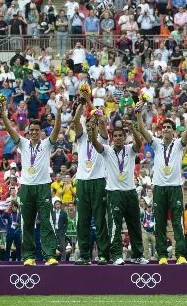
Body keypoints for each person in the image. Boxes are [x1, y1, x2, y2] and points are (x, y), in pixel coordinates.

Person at [0, 96, 64, 265]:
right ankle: (28, 256)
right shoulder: (22, 143)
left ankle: (49, 255)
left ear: (41, 132)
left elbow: (57, 129)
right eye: (32, 130)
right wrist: (3, 114)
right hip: (27, 187)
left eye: (37, 130)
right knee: (26, 223)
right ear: (28, 132)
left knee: (47, 221)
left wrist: (58, 111)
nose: (34, 132)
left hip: (43, 187)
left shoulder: (47, 144)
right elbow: (10, 130)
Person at [136, 102, 187, 265]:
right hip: (159, 188)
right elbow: (142, 130)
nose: (166, 129)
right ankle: (162, 255)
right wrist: (138, 112)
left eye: (169, 127)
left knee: (177, 223)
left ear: (173, 131)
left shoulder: (179, 144)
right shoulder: (156, 143)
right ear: (161, 131)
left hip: (175, 188)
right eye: (164, 127)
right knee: (159, 223)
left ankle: (181, 254)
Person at [88, 118, 149, 265]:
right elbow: (95, 143)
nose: (118, 138)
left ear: (125, 137)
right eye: (115, 136)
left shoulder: (130, 149)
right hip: (114, 193)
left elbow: (139, 143)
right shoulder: (107, 151)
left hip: (130, 192)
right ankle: (116, 255)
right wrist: (93, 130)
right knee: (115, 225)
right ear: (112, 138)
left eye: (121, 135)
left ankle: (137, 255)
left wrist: (133, 128)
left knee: (134, 224)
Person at [71, 95, 112, 265]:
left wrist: (88, 101)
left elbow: (101, 120)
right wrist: (81, 104)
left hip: (98, 180)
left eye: (92, 124)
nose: (90, 126)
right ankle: (84, 255)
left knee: (100, 219)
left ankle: (103, 254)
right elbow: (75, 121)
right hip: (82, 182)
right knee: (82, 221)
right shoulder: (81, 139)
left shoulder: (103, 139)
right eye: (88, 124)